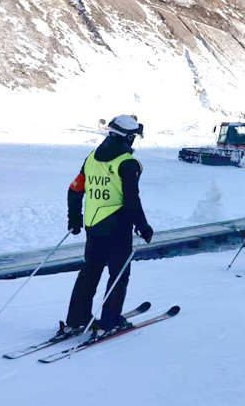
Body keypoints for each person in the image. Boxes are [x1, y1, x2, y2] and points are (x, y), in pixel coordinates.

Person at [63, 115, 153, 339]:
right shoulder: (128, 163)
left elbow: (74, 190)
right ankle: (110, 322)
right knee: (118, 275)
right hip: (118, 227)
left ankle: (76, 320)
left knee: (90, 272)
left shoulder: (91, 158)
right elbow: (131, 199)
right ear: (129, 137)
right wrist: (143, 226)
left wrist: (74, 219)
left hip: (93, 226)